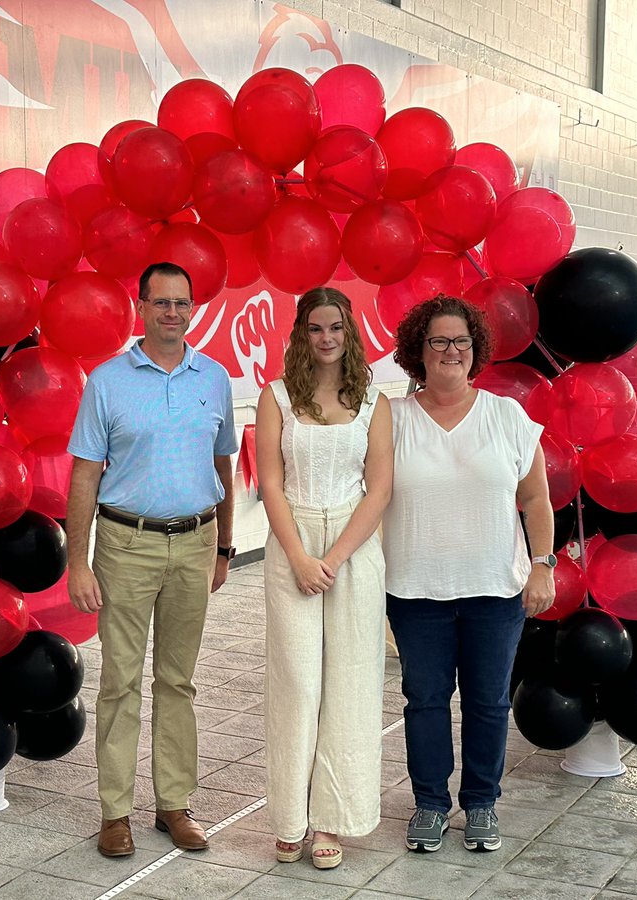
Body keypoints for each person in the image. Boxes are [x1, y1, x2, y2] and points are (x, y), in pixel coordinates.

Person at [66, 262, 238, 858]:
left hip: (195, 542)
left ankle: (174, 806)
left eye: (181, 303)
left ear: (194, 310)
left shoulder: (213, 378)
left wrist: (224, 548)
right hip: (125, 546)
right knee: (120, 682)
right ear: (141, 307)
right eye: (161, 302)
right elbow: (85, 475)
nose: (172, 312)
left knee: (178, 682)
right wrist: (78, 561)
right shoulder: (107, 381)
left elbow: (225, 469)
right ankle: (115, 812)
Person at [382, 294, 555, 854]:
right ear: (419, 351)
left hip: (494, 591)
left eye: (461, 340)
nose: (451, 350)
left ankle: (481, 803)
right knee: (425, 701)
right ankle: (431, 804)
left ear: (475, 348)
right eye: (438, 341)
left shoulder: (506, 416)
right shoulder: (392, 418)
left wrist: (542, 565)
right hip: (415, 590)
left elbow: (536, 498)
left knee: (488, 703)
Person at [255, 287, 393, 871]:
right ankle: (290, 818)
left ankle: (332, 820)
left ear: (350, 331)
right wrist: (300, 558)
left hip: (353, 550)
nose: (327, 338)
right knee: (297, 684)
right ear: (301, 334)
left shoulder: (374, 402)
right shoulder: (277, 398)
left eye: (336, 327)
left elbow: (379, 488)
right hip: (293, 543)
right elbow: (269, 482)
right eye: (316, 328)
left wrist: (333, 558)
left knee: (351, 685)